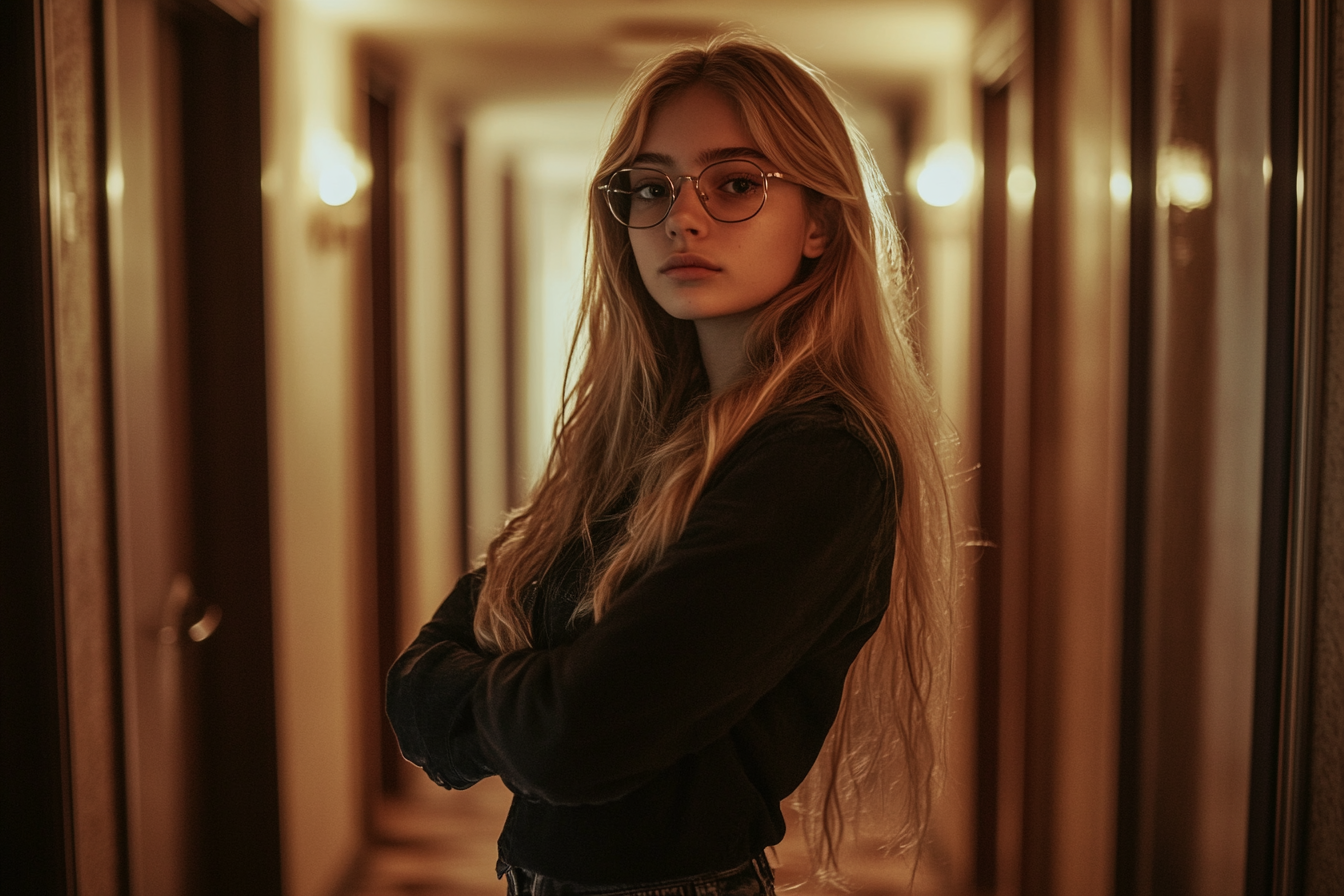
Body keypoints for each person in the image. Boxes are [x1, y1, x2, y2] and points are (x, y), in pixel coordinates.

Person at [386, 33, 956, 896]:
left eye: (735, 184)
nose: (679, 218)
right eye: (650, 187)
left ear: (819, 225)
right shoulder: (639, 437)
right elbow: (417, 679)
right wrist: (529, 697)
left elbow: (575, 737)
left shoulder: (819, 456)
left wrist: (499, 699)